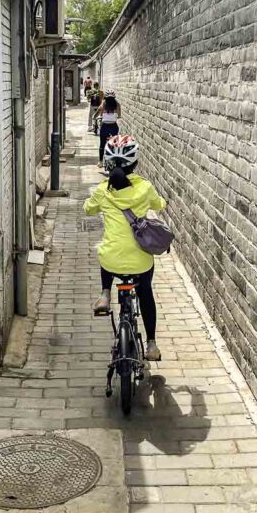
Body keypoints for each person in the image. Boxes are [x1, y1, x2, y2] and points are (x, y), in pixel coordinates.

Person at [84, 135, 165, 361]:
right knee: (145, 292)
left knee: (107, 252)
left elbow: (88, 209)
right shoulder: (145, 187)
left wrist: (95, 203)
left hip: (112, 262)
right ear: (135, 163)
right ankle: (151, 345)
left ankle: (105, 294)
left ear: (108, 162)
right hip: (140, 261)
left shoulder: (103, 190)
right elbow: (160, 204)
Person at [95, 90, 120, 167]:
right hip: (114, 127)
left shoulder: (104, 103)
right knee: (115, 144)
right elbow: (119, 115)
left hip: (105, 126)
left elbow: (99, 110)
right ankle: (116, 161)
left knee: (102, 144)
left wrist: (95, 116)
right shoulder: (117, 104)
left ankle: (100, 162)